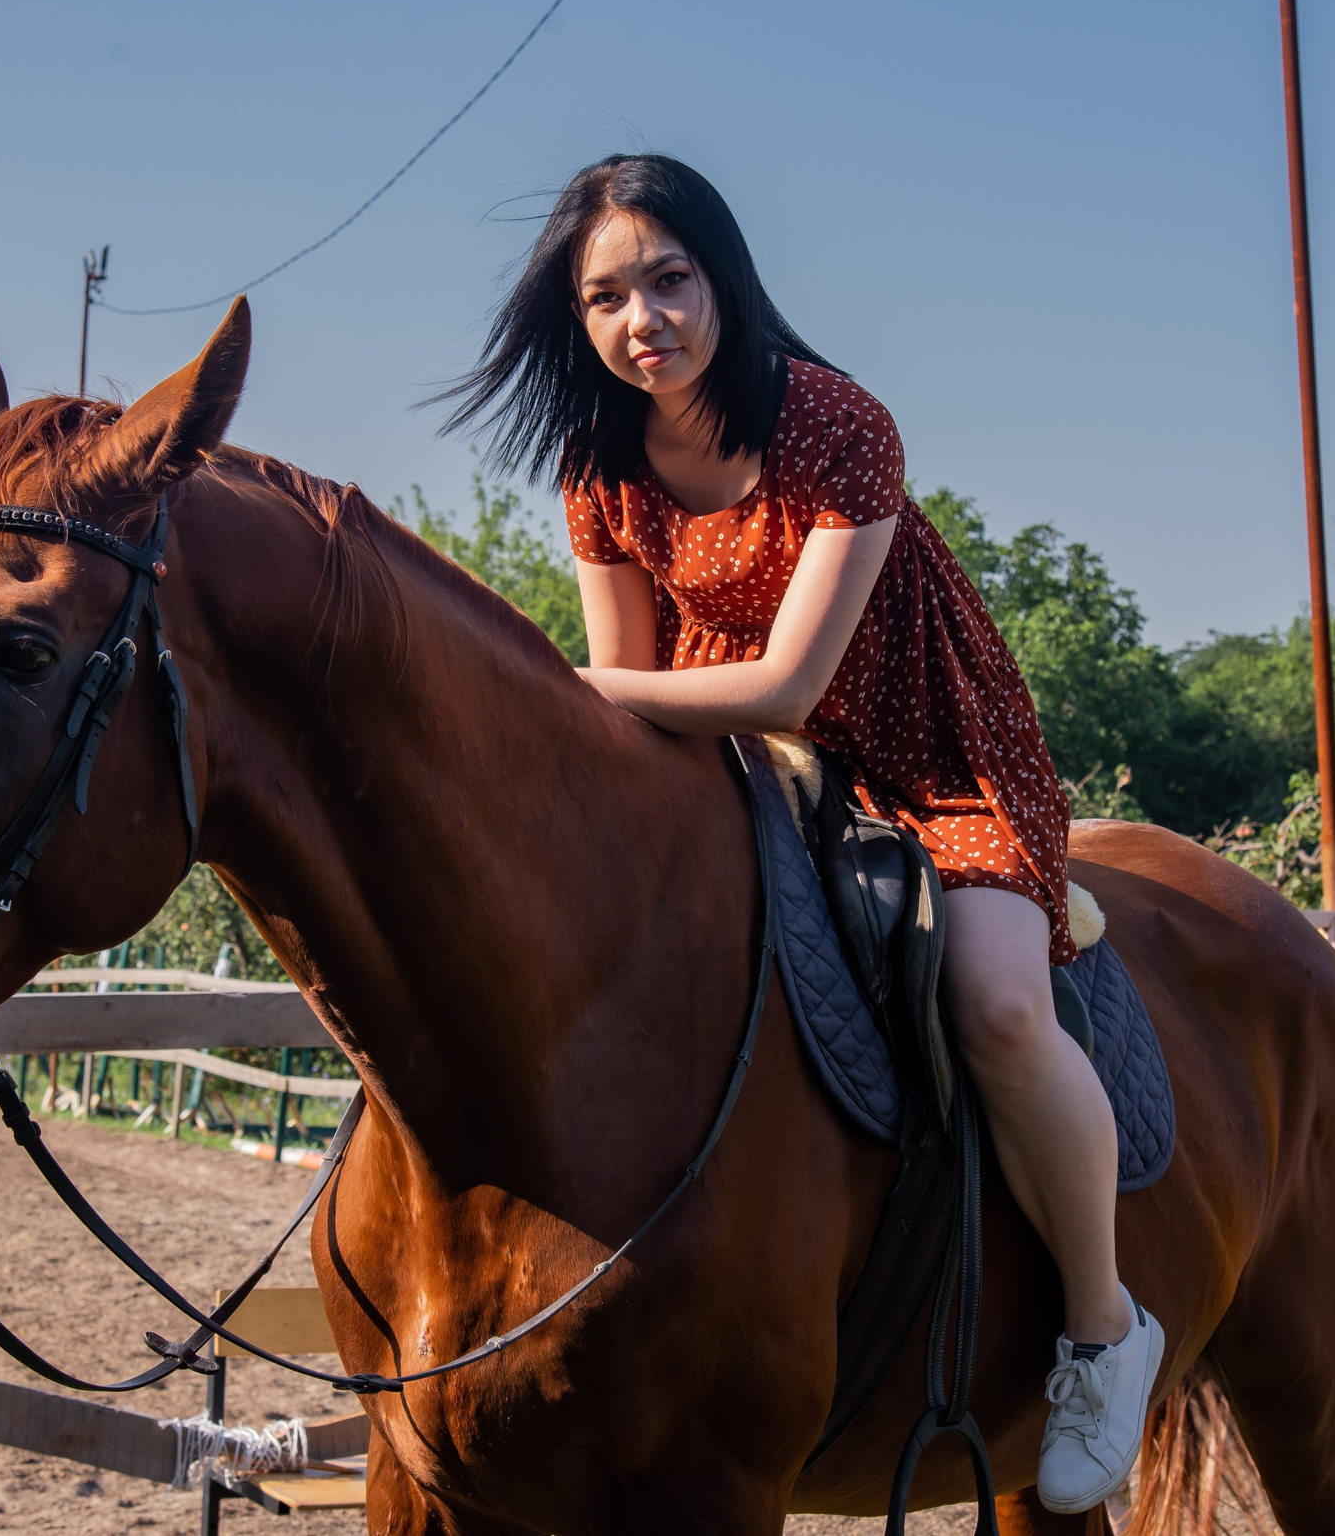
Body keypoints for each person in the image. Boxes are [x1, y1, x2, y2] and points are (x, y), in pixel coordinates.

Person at [441, 154, 1164, 1509]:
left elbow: (786, 678)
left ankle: (1102, 1329)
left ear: (721, 274)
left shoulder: (836, 423)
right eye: (607, 297)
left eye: (667, 278)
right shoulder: (599, 462)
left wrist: (577, 694)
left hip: (923, 753)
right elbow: (631, 688)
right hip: (735, 755)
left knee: (1001, 1004)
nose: (640, 318)